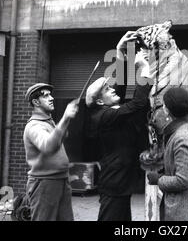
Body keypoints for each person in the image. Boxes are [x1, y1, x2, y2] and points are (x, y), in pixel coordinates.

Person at [85, 31, 152, 221]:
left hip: (121, 184)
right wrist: (144, 68)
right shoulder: (104, 115)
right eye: (107, 89)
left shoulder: (107, 107)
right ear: (99, 101)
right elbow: (138, 104)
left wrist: (120, 50)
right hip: (114, 185)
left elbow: (120, 84)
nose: (112, 88)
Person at [148, 87, 188, 221]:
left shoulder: (182, 137)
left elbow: (183, 180)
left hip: (184, 206)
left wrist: (158, 179)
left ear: (167, 110)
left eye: (163, 105)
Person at [23, 83, 79, 221]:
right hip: (44, 184)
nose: (52, 98)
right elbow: (48, 146)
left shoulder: (49, 122)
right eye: (46, 95)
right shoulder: (34, 126)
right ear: (36, 102)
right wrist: (65, 117)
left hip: (61, 180)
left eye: (51, 94)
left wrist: (65, 121)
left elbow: (60, 137)